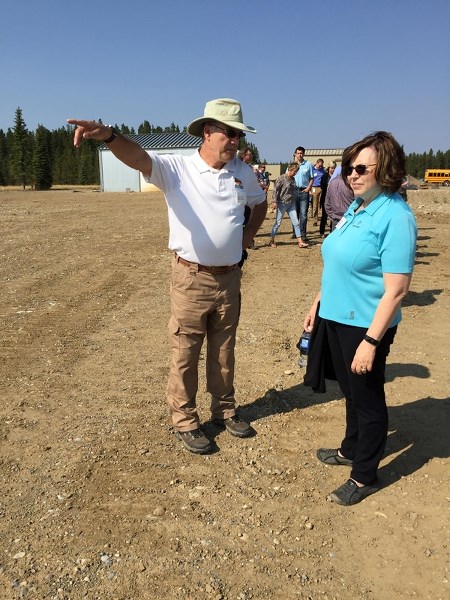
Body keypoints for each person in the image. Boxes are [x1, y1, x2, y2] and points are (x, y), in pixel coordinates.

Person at [67, 98, 267, 455]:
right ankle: (186, 421)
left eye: (239, 134)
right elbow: (140, 158)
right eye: (230, 133)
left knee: (224, 350)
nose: (236, 140)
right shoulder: (178, 169)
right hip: (192, 278)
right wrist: (110, 137)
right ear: (208, 132)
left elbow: (260, 203)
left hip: (230, 278)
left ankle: (224, 410)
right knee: (185, 351)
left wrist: (248, 235)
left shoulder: (243, 172)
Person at [303, 131, 417, 506]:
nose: (352, 174)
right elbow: (336, 260)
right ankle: (350, 449)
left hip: (365, 324)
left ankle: (364, 474)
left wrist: (371, 342)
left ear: (385, 169)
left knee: (367, 399)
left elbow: (397, 289)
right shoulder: (358, 206)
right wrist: (317, 304)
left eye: (361, 168)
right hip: (336, 317)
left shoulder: (395, 215)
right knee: (351, 393)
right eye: (348, 167)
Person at [269, 162, 303, 248]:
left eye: (296, 172)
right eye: (294, 171)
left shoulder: (293, 179)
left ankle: (300, 241)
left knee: (296, 222)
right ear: (290, 169)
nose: (295, 173)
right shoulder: (281, 178)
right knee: (278, 222)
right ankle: (272, 240)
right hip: (282, 203)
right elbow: (275, 190)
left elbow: (294, 189)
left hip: (291, 203)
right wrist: (274, 201)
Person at [292, 146, 314, 246]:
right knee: (295, 214)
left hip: (304, 191)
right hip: (294, 192)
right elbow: (288, 177)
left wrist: (308, 188)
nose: (299, 155)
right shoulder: (292, 165)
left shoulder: (308, 164)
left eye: (301, 153)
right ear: (295, 154)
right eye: (298, 153)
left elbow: (312, 178)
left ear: (303, 154)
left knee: (303, 214)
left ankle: (303, 234)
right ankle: (295, 233)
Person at [319, 162, 336, 237]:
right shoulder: (324, 176)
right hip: (325, 197)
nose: (332, 169)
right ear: (328, 168)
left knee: (333, 215)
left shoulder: (337, 176)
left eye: (334, 168)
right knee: (324, 215)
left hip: (334, 198)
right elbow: (322, 186)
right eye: (331, 168)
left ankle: (332, 231)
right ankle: (322, 232)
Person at [310, 158, 326, 226]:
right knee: (315, 205)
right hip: (314, 188)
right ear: (316, 163)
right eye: (319, 165)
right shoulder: (312, 170)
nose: (320, 167)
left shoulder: (323, 170)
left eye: (321, 166)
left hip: (322, 187)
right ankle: (315, 220)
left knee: (323, 204)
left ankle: (324, 219)